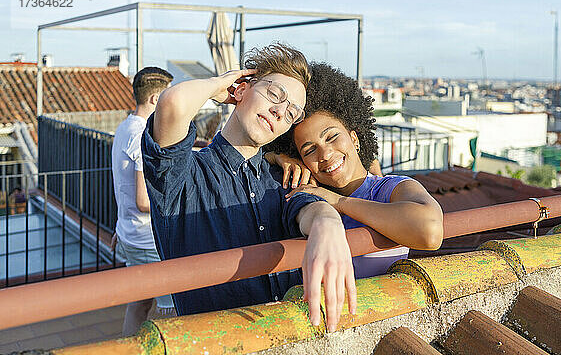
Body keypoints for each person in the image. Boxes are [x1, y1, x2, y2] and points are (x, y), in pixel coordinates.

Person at [141, 44, 356, 332]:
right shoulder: (183, 177)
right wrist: (219, 86)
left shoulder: (280, 176)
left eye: (292, 112)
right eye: (275, 94)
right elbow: (172, 105)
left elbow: (306, 205)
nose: (280, 112)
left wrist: (327, 221)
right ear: (240, 90)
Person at [265, 63, 444, 278]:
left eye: (331, 137)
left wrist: (339, 203)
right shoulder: (308, 198)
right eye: (310, 149)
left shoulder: (390, 189)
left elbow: (430, 231)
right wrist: (274, 155)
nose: (325, 154)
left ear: (354, 138)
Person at [111, 67, 175, 336]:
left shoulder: (124, 127)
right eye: (168, 97)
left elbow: (122, 185)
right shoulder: (142, 137)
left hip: (129, 234)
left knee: (138, 304)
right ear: (154, 99)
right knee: (171, 311)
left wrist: (118, 225)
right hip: (148, 240)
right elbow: (142, 200)